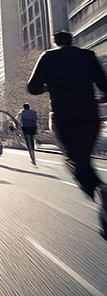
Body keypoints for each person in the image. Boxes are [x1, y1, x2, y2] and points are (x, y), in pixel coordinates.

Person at [28, 30, 107, 238]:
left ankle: (101, 192)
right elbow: (105, 86)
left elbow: (32, 87)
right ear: (72, 41)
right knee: (83, 160)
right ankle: (102, 200)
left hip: (64, 117)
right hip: (90, 116)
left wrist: (50, 86)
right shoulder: (88, 56)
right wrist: (99, 100)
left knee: (74, 162)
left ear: (55, 42)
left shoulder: (48, 57)